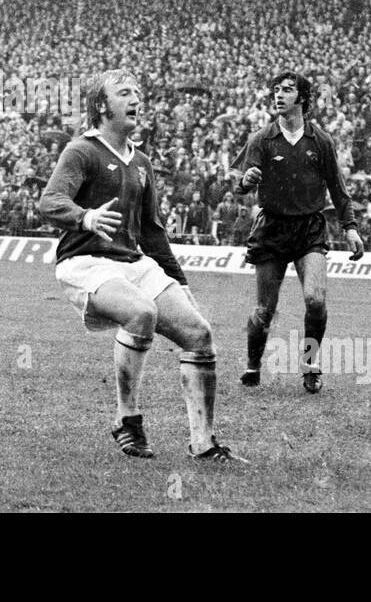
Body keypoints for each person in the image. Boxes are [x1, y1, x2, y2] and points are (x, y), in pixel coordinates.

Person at [38, 69, 239, 462]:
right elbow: (49, 201)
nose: (135, 99)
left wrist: (179, 283)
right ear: (101, 106)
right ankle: (126, 419)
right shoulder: (82, 150)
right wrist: (85, 217)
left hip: (133, 261)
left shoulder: (142, 161)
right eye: (124, 92)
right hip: (86, 261)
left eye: (137, 92)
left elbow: (152, 231)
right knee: (141, 312)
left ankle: (204, 443)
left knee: (199, 333)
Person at [235, 71, 364, 394]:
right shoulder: (261, 139)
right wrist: (245, 182)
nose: (279, 95)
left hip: (309, 228)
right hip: (272, 228)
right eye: (276, 90)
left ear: (302, 99)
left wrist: (350, 228)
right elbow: (240, 185)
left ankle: (310, 366)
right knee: (265, 309)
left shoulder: (320, 141)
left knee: (315, 300)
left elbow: (337, 187)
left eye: (288, 90)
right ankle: (253, 365)